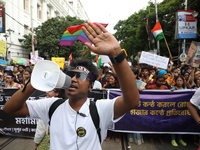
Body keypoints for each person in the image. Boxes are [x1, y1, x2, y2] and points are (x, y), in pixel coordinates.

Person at [3, 22, 139, 150]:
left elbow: (132, 100)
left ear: (91, 86)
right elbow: (10, 109)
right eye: (70, 74)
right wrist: (34, 84)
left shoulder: (100, 109)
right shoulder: (51, 106)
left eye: (80, 76)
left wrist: (116, 53)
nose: (73, 79)